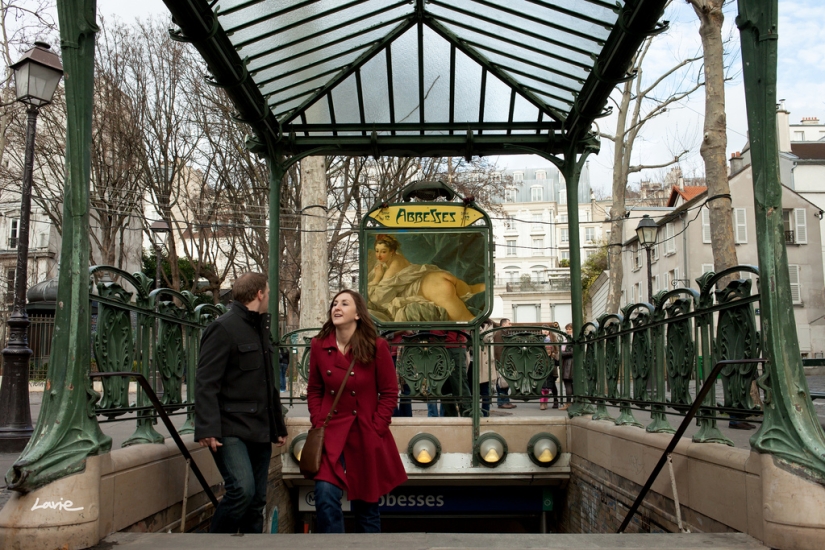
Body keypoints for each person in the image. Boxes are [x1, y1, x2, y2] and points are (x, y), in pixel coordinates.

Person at [306, 290, 407, 533]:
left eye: (344, 303)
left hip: (364, 434)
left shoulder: (376, 346)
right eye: (334, 304)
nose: (336, 307)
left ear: (358, 314)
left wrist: (377, 427)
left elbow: (389, 392)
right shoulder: (319, 345)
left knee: (366, 508)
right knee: (325, 497)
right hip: (331, 434)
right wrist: (318, 420)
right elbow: (314, 390)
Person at [194, 272, 288, 534]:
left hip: (259, 429)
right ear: (259, 294)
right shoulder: (222, 327)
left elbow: (268, 385)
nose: (269, 297)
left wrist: (277, 426)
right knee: (241, 490)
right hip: (230, 428)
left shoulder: (261, 330)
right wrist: (207, 428)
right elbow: (205, 381)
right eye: (268, 293)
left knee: (257, 500)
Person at [368, 234, 484, 322]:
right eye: (377, 251)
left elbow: (379, 299)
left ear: (392, 251)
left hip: (432, 289)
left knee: (468, 320)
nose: (379, 255)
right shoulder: (397, 258)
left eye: (383, 252)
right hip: (438, 278)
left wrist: (376, 279)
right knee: (473, 290)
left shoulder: (392, 268)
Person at [494, 319, 516, 409]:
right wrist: (502, 363)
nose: (510, 325)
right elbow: (498, 349)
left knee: (506, 383)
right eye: (509, 323)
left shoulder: (504, 333)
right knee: (502, 383)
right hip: (503, 362)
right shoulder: (500, 333)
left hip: (505, 362)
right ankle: (502, 402)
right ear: (503, 324)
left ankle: (506, 402)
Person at [540, 330, 560, 410]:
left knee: (552, 384)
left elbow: (557, 351)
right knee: (542, 385)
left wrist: (554, 355)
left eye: (546, 330)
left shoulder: (553, 339)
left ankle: (555, 400)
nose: (545, 331)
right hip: (542, 365)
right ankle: (543, 402)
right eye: (543, 330)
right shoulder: (540, 339)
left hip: (552, 365)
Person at [559, 323, 575, 411]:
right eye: (567, 329)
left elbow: (572, 351)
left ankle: (568, 403)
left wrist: (562, 354)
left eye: (570, 329)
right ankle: (572, 403)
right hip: (568, 363)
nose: (568, 330)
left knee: (568, 384)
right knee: (569, 384)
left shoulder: (571, 339)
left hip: (569, 363)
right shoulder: (567, 339)